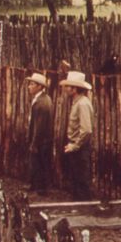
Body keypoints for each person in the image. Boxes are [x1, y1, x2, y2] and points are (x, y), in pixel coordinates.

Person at [60, 70, 95, 201]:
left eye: (68, 86)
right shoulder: (77, 102)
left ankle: (85, 211)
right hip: (76, 148)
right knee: (75, 180)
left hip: (80, 150)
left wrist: (75, 145)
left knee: (81, 182)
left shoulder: (83, 104)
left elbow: (86, 130)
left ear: (74, 89)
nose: (65, 89)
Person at [25, 72, 53, 194]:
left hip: (42, 139)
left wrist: (34, 142)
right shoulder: (40, 99)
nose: (29, 87)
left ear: (40, 87)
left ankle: (43, 188)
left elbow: (39, 126)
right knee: (36, 162)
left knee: (41, 163)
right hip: (41, 139)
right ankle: (36, 185)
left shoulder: (42, 103)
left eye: (32, 84)